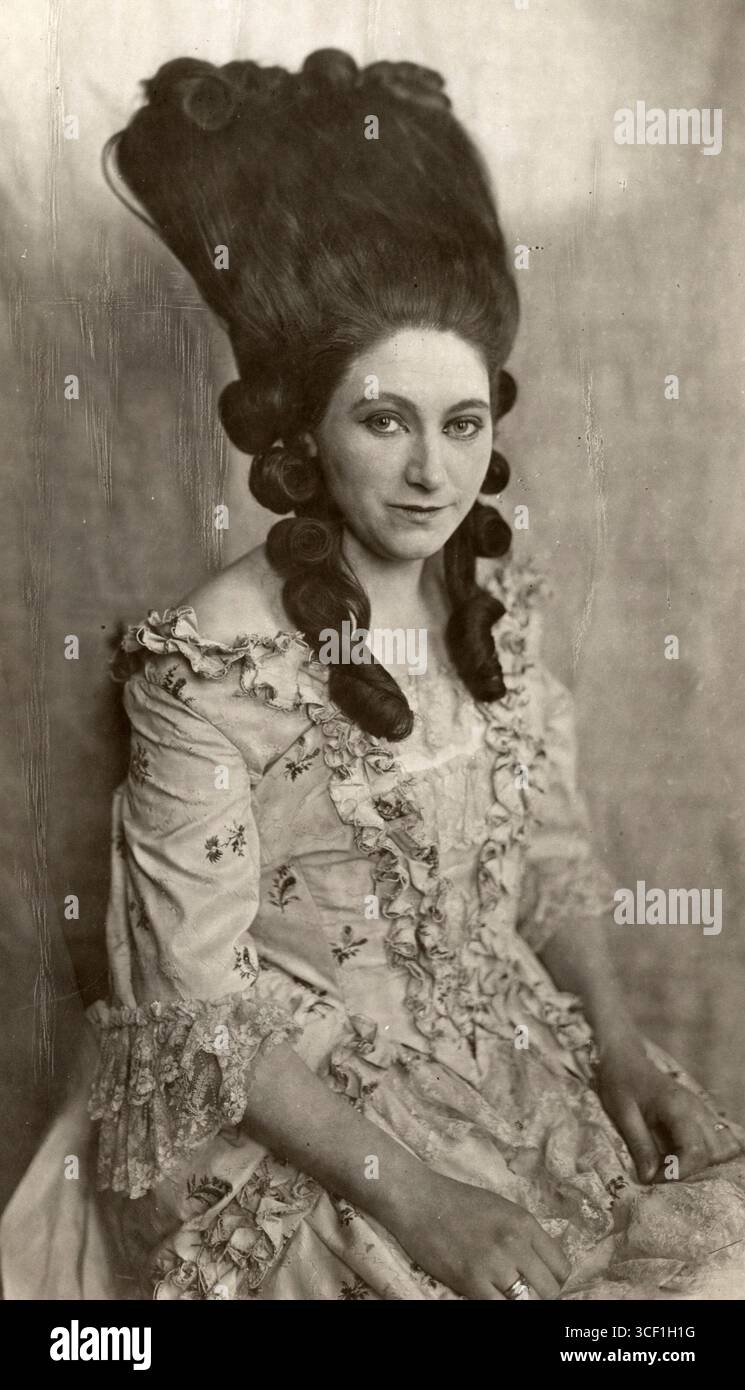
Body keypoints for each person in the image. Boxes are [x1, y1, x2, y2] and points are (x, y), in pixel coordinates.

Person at [3, 48, 745, 1303]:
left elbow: (547, 858)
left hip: (499, 1053)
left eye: (460, 425)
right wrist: (426, 1200)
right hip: (278, 1112)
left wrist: (619, 1048)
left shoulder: (492, 611)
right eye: (382, 418)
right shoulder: (209, 661)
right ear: (304, 431)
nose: (429, 475)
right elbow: (200, 1011)